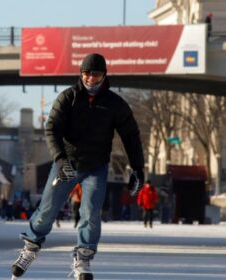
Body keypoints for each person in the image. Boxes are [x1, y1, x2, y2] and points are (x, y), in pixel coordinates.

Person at [11, 53, 145, 280]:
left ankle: (83, 259)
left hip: (96, 166)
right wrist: (60, 159)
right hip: (67, 164)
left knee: (91, 213)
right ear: (81, 74)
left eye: (96, 74)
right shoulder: (68, 98)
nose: (91, 79)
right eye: (87, 73)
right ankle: (30, 248)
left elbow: (131, 135)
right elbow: (52, 129)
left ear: (104, 75)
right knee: (47, 210)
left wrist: (137, 168)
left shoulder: (115, 104)